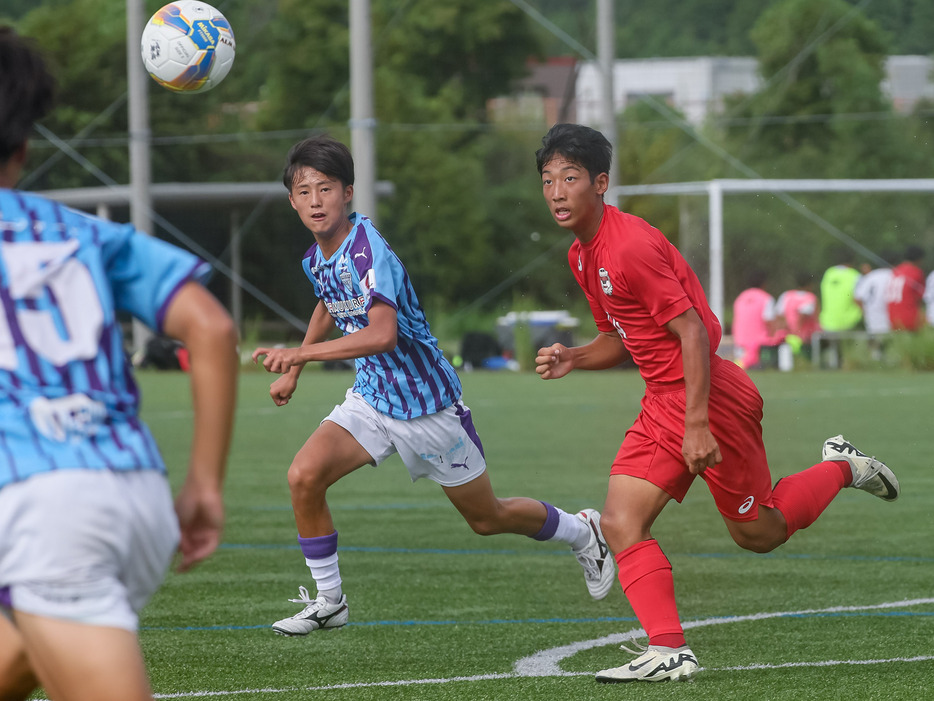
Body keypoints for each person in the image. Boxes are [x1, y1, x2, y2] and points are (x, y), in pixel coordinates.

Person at [533, 123, 899, 684]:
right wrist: (575, 358)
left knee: (760, 533)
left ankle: (843, 467)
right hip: (663, 400)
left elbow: (693, 334)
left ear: (600, 183)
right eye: (548, 179)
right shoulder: (583, 258)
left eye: (571, 177)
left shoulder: (629, 245)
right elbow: (619, 339)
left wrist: (698, 423)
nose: (558, 191)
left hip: (712, 399)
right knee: (621, 520)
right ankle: (668, 649)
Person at [251, 135, 613, 637]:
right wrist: (295, 369)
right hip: (373, 399)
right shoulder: (318, 257)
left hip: (427, 407)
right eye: (305, 191)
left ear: (348, 192)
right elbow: (328, 301)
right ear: (292, 200)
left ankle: (582, 530)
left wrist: (301, 354)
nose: (316, 201)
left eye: (326, 189)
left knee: (487, 517)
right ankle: (330, 601)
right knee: (303, 477)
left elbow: (382, 334)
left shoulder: (365, 250)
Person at [0, 27, 239, 701]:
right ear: (23, 147)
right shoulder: (81, 230)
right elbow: (212, 326)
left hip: (41, 506)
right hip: (131, 489)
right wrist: (204, 483)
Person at [731, 268, 785, 369]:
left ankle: (742, 362)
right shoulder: (766, 298)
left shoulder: (740, 298)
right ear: (764, 283)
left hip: (739, 342)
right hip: (759, 345)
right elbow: (770, 321)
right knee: (783, 334)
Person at [775, 270, 820, 350]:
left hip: (787, 337)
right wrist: (797, 333)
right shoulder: (810, 298)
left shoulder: (786, 295)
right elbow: (802, 316)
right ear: (810, 284)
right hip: (804, 339)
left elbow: (779, 316)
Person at [818, 251, 862, 332]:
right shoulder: (855, 275)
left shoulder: (829, 273)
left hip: (827, 323)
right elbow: (859, 299)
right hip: (850, 323)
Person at [886, 245, 926, 332]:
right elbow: (921, 297)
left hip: (893, 318)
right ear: (919, 259)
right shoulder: (916, 272)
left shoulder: (895, 271)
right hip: (909, 318)